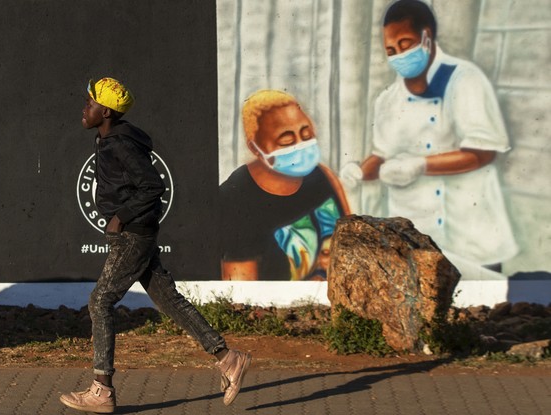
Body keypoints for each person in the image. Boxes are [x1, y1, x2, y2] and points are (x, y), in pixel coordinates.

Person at [59, 77, 251, 413]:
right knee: (170, 301)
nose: (84, 108)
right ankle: (228, 358)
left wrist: (121, 216)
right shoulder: (108, 138)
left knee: (100, 301)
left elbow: (152, 186)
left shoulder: (120, 144)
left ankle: (101, 390)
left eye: (89, 103)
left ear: (105, 111)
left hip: (133, 233)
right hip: (135, 232)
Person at [341, 0, 518, 272]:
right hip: (416, 238)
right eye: (391, 50)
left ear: (427, 36)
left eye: (405, 44)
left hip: (469, 233)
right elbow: (381, 155)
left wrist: (420, 165)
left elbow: (483, 152)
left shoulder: (465, 80)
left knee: (481, 308)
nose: (398, 55)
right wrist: (361, 172)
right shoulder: (388, 100)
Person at [220, 89, 351, 281]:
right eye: (287, 140)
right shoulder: (233, 200)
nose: (300, 145)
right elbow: (241, 292)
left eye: (306, 135)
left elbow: (354, 240)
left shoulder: (322, 175)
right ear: (255, 148)